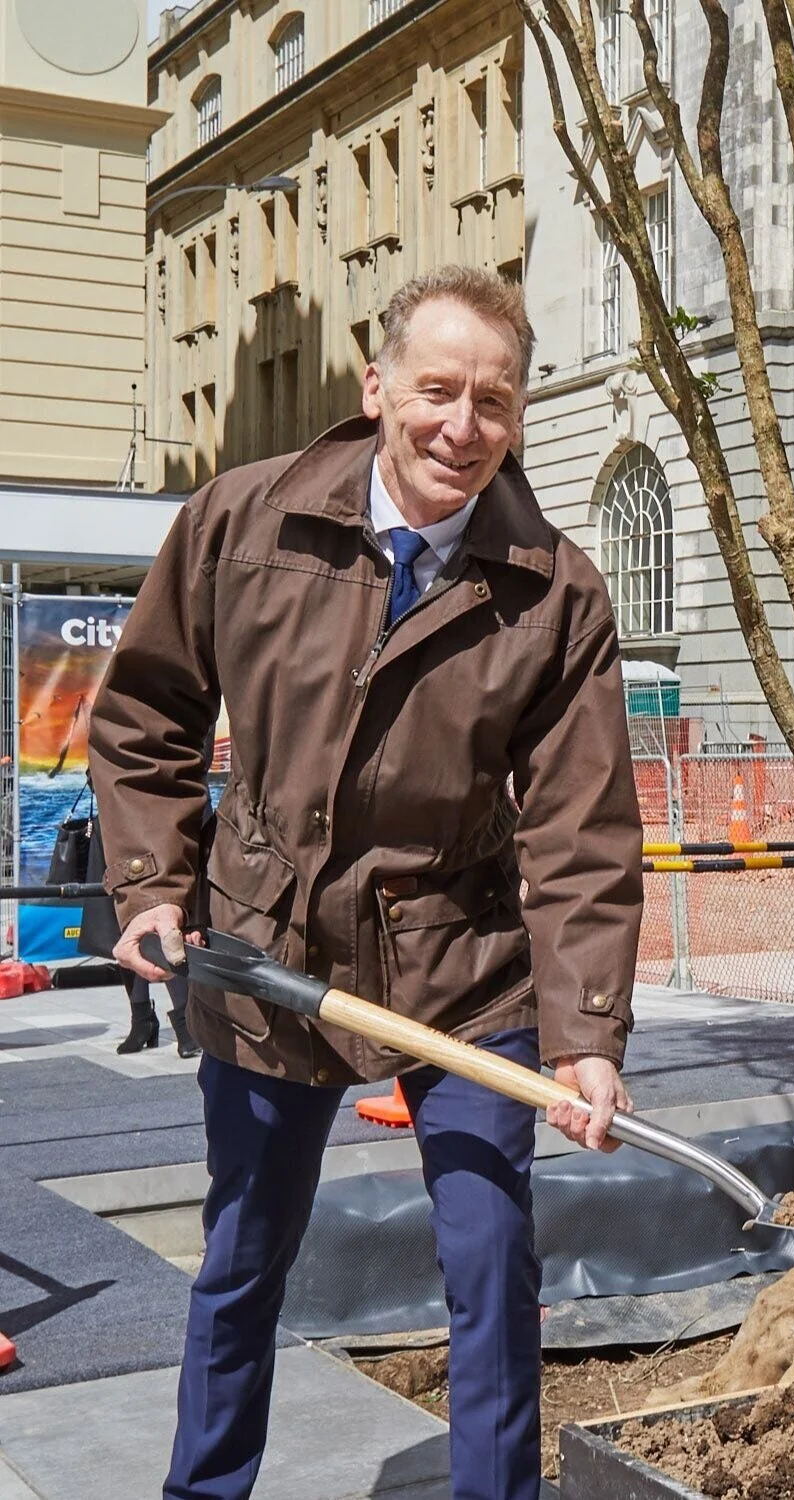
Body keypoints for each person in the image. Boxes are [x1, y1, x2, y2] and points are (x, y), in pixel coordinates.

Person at [88, 266, 644, 1500]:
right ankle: (205, 1490)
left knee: (491, 1265)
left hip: (465, 970)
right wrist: (151, 886)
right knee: (241, 1257)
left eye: (492, 400)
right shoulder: (241, 523)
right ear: (376, 386)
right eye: (437, 389)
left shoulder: (554, 594)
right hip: (264, 954)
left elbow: (579, 827)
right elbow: (144, 718)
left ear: (518, 415)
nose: (461, 425)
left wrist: (585, 1031)